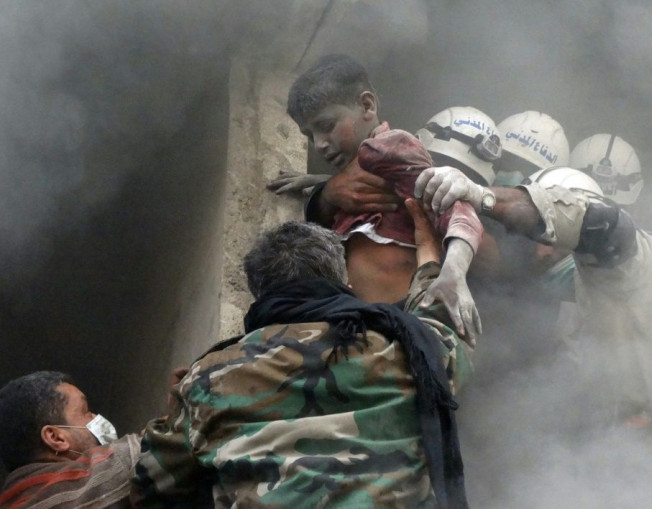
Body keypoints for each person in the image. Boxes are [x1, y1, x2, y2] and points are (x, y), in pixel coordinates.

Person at [414, 165, 652, 506]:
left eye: (546, 235)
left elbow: (599, 223)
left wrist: (482, 197)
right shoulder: (595, 293)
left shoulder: (630, 254)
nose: (541, 250)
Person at [133, 206, 473, 507]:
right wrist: (428, 249)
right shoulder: (405, 351)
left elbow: (152, 487)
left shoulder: (209, 379)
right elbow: (444, 323)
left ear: (260, 295)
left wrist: (180, 409)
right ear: (344, 282)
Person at [278, 55, 484, 338]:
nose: (320, 144)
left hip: (405, 328)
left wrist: (454, 274)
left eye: (326, 126)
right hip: (366, 331)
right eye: (309, 135)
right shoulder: (356, 175)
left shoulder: (392, 147)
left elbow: (459, 211)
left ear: (367, 105)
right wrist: (322, 187)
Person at [0, 371, 140, 508]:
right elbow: (143, 451)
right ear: (56, 438)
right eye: (85, 411)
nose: (95, 417)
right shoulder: (77, 488)